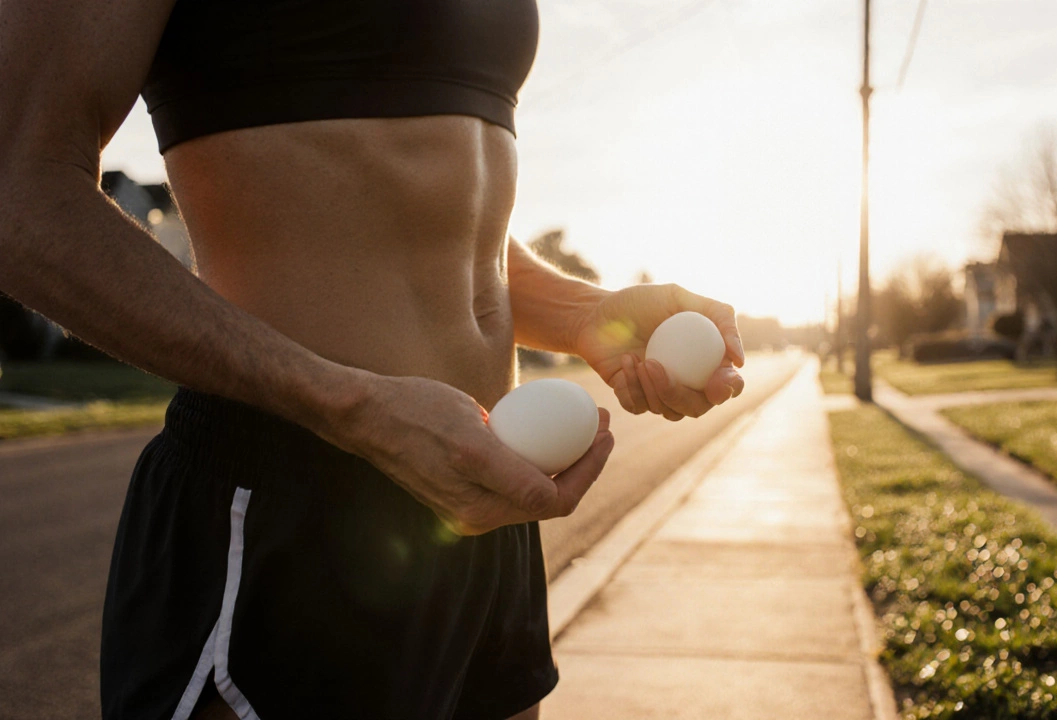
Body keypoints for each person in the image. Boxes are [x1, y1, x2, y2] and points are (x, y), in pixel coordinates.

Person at [0, 1, 746, 719]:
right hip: (289, 506)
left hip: (481, 495)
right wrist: (352, 407)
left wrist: (587, 315)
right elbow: (18, 192)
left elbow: (423, 210)